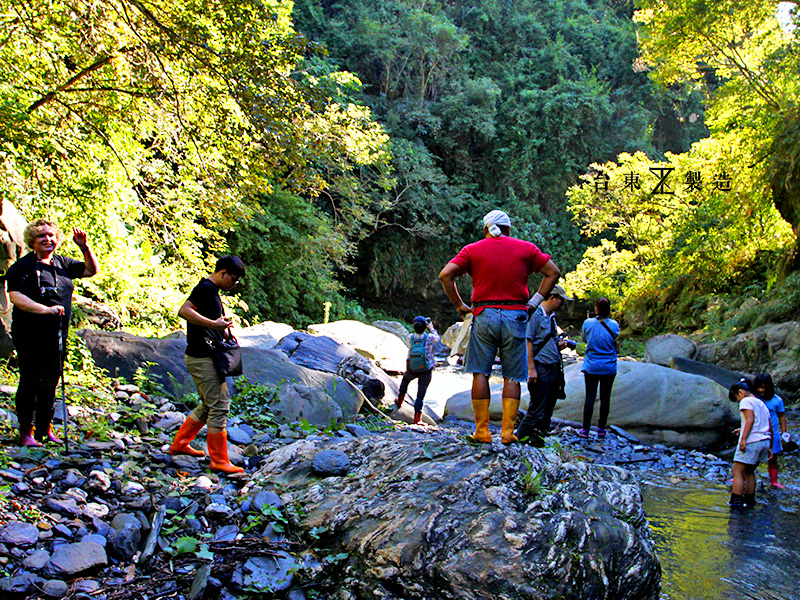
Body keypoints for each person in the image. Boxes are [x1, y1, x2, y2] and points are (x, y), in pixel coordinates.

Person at [439, 210, 560, 444]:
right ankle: (507, 433)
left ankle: (482, 432)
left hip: (483, 314)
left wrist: (460, 306)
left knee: (481, 372)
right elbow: (553, 272)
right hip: (516, 315)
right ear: (509, 229)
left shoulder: (472, 250)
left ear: (485, 230)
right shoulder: (526, 248)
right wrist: (534, 303)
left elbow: (446, 275)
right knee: (512, 377)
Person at [6, 219, 99, 446]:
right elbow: (16, 297)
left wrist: (84, 247)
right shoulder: (21, 267)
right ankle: (26, 432)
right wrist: (45, 310)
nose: (48, 239)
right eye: (42, 237)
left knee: (52, 379)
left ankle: (44, 430)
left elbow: (90, 270)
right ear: (33, 242)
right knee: (29, 380)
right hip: (29, 333)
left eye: (51, 236)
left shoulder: (62, 263)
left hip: (57, 333)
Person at [168, 255, 246, 475]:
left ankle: (180, 444)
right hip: (201, 358)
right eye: (234, 279)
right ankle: (219, 460)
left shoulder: (211, 291)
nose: (235, 284)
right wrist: (214, 323)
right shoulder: (205, 288)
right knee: (220, 405)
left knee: (208, 404)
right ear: (223, 273)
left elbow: (205, 320)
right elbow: (184, 311)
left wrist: (221, 327)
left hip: (205, 355)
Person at [514, 285, 572, 446]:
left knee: (548, 410)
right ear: (552, 297)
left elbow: (548, 339)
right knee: (536, 409)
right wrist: (531, 369)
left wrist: (559, 345)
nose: (562, 303)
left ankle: (538, 441)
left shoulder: (551, 317)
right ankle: (519, 441)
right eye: (561, 300)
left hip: (553, 368)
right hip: (540, 368)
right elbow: (527, 341)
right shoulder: (535, 314)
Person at [579, 297, 619, 439]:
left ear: (596, 309)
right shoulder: (614, 324)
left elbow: (584, 339)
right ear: (609, 309)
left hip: (592, 366)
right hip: (609, 366)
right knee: (605, 397)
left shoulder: (588, 323)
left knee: (590, 397)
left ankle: (585, 430)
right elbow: (614, 339)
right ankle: (601, 429)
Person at [728, 379, 772, 508]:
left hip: (752, 441)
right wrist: (769, 447)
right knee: (749, 471)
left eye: (737, 398)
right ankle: (750, 500)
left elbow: (750, 420)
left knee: (737, 472)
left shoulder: (746, 401)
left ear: (740, 393)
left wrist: (743, 439)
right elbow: (767, 425)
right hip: (764, 440)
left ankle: (736, 502)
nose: (738, 401)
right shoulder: (761, 404)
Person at [395, 316, 440, 424]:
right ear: (425, 327)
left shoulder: (410, 337)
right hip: (426, 370)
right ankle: (417, 418)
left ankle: (399, 401)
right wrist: (431, 327)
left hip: (412, 368)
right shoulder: (429, 338)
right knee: (421, 393)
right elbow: (437, 338)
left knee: (405, 381)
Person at [753, 373, 788, 489]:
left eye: (763, 387)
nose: (761, 390)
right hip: (756, 431)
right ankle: (742, 475)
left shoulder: (777, 400)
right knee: (752, 456)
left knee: (773, 459)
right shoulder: (754, 399)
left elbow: (782, 416)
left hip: (773, 433)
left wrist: (784, 432)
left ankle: (774, 481)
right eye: (758, 387)